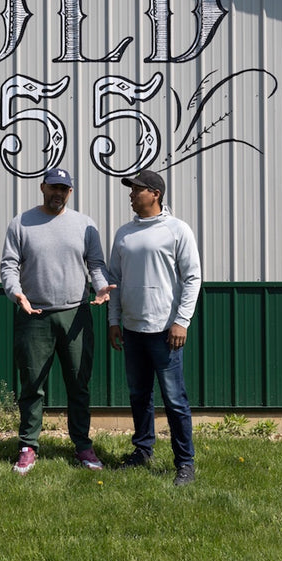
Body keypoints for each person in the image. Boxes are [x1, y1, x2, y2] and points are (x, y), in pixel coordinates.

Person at [0, 167, 115, 475]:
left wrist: (102, 286)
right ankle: (27, 446)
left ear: (70, 192)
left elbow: (96, 264)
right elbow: (9, 265)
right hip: (34, 315)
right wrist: (17, 294)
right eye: (53, 188)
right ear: (42, 187)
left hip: (76, 315)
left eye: (63, 189)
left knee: (78, 384)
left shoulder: (84, 225)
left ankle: (82, 446)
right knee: (32, 385)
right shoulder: (21, 223)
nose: (58, 193)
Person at [107, 169, 202, 486]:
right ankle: (143, 451)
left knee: (175, 400)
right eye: (131, 190)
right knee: (139, 395)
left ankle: (184, 464)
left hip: (166, 332)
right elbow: (115, 283)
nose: (131, 195)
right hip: (132, 331)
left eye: (137, 190)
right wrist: (113, 321)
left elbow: (192, 278)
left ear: (155, 194)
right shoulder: (124, 234)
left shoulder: (177, 230)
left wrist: (181, 321)